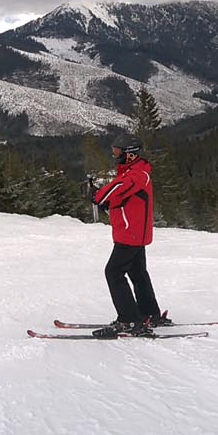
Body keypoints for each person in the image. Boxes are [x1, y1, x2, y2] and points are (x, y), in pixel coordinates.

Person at [91, 136, 167, 338]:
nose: (115, 155)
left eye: (118, 152)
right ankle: (149, 313)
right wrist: (108, 202)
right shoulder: (134, 171)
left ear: (130, 154)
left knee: (113, 272)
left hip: (131, 233)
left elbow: (119, 187)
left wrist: (98, 197)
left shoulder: (138, 174)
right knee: (137, 272)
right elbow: (125, 196)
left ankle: (129, 319)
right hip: (133, 231)